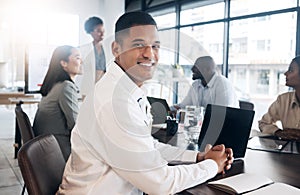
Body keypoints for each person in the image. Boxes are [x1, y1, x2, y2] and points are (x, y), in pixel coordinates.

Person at [57, 11, 233, 195]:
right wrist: (212, 165)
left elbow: (148, 146)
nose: (150, 54)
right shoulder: (114, 101)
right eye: (139, 45)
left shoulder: (127, 89)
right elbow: (160, 184)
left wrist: (197, 157)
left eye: (155, 46)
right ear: (116, 49)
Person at [33, 45, 82, 160]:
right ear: (64, 63)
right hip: (57, 147)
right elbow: (75, 125)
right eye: (77, 57)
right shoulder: (66, 86)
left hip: (47, 145)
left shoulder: (55, 85)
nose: (81, 62)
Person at [173, 56, 239, 110]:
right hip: (203, 125)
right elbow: (183, 106)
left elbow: (221, 114)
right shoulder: (196, 85)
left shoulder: (223, 84)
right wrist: (169, 109)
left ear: (207, 69)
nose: (192, 69)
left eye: (196, 67)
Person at [259, 56, 300, 141]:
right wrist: (278, 132)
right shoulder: (283, 100)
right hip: (288, 153)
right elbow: (263, 123)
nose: (285, 74)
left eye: (291, 70)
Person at [77, 16, 106, 99]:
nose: (102, 34)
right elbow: (79, 70)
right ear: (91, 32)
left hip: (104, 87)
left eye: (103, 30)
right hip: (88, 87)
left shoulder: (108, 49)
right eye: (98, 31)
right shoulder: (83, 50)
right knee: (87, 110)